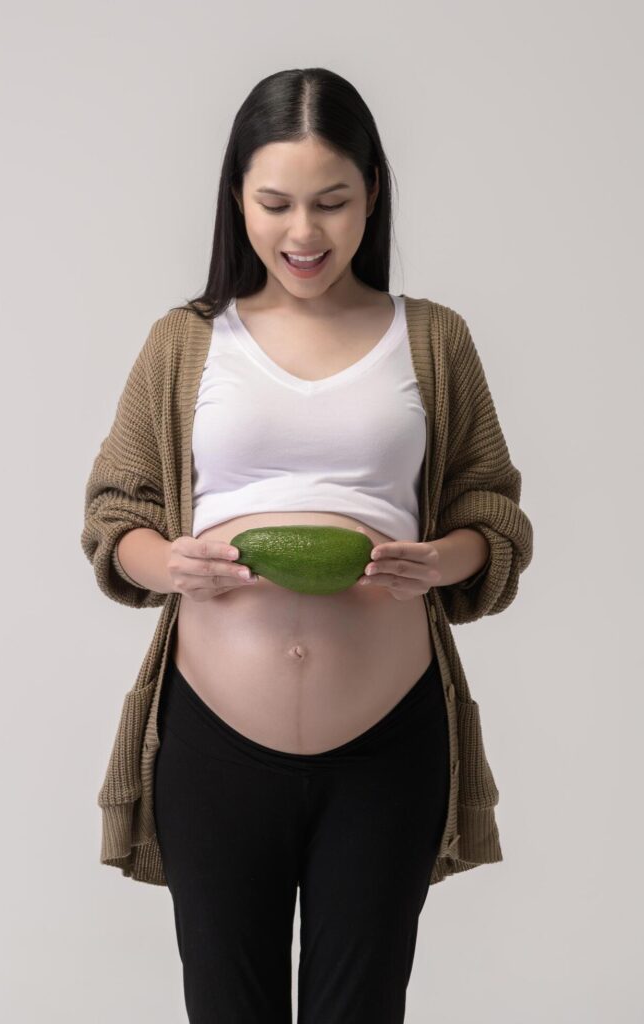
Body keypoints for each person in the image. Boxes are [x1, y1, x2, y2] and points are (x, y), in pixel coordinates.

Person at [81, 66, 533, 1024]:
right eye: (274, 202)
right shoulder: (185, 341)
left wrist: (440, 560)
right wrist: (170, 563)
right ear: (234, 197)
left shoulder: (432, 338)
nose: (303, 233)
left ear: (372, 193)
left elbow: (492, 510)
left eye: (332, 202)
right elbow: (115, 511)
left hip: (387, 745)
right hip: (211, 741)